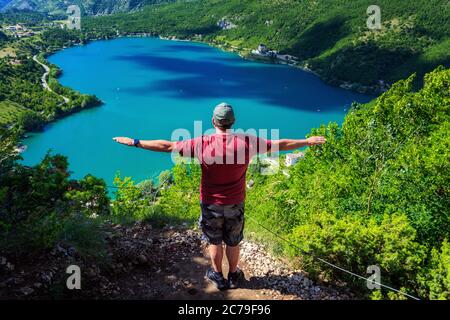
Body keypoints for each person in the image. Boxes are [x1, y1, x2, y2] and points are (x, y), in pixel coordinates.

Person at [113, 102, 326, 290]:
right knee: (233, 242)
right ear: (232, 122)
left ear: (213, 121)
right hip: (235, 202)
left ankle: (218, 276)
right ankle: (234, 275)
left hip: (210, 203)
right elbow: (281, 144)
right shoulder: (248, 142)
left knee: (215, 242)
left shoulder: (201, 143)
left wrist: (135, 142)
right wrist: (306, 141)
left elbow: (167, 146)